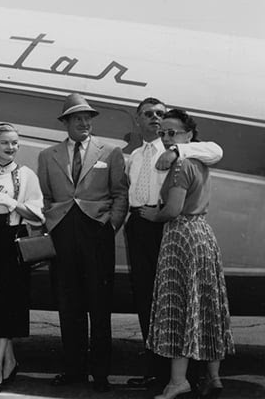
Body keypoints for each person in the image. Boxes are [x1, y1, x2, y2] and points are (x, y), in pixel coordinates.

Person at [125, 98, 223, 388]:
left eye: (160, 114)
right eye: (149, 114)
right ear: (138, 120)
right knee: (147, 298)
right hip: (139, 223)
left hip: (164, 225)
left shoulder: (176, 151)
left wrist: (179, 148)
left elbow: (216, 150)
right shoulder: (136, 155)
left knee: (172, 301)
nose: (156, 119)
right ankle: (156, 371)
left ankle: (182, 374)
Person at [37, 93, 128, 393]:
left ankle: (100, 373)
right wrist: (52, 224)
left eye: (88, 117)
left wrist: (110, 226)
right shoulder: (47, 155)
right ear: (66, 123)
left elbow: (120, 195)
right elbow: (46, 197)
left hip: (97, 235)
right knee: (68, 305)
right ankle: (73, 369)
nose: (84, 122)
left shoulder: (111, 153)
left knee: (99, 307)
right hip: (63, 235)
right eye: (77, 118)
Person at [0, 123, 45, 393]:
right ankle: (10, 359)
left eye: (15, 143)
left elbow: (39, 215)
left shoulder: (25, 175)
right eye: (5, 143)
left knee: (5, 306)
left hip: (12, 241)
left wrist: (12, 203)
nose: (11, 147)